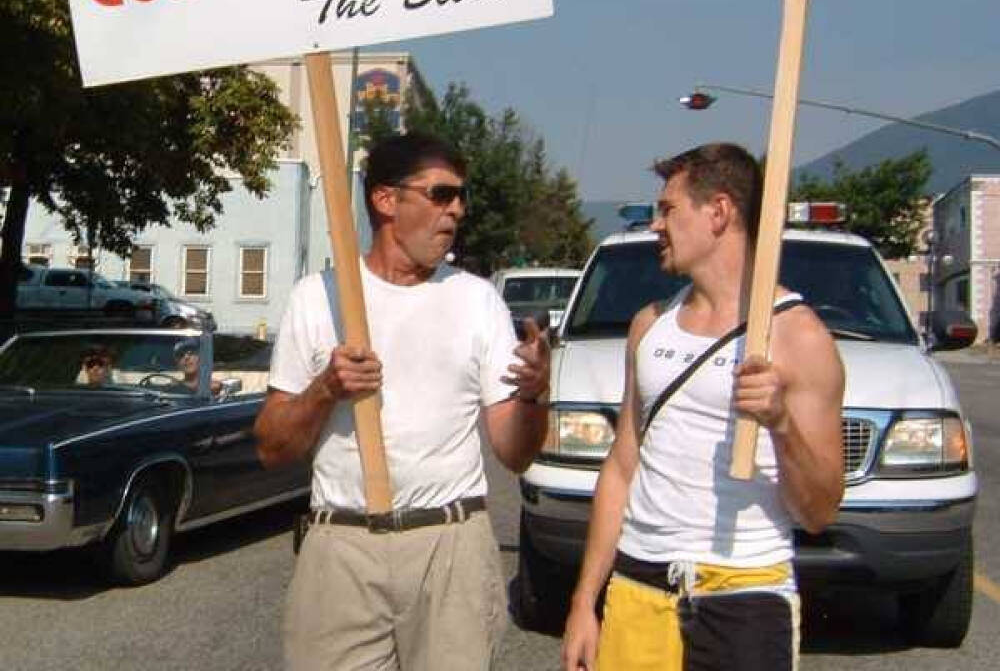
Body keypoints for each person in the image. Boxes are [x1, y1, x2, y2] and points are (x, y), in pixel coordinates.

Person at [254, 132, 551, 671]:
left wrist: (535, 395)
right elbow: (272, 446)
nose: (456, 210)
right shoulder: (318, 298)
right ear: (386, 200)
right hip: (341, 547)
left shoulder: (476, 300)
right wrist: (327, 388)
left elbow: (516, 452)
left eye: (461, 197)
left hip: (450, 544)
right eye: (441, 194)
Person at [561, 143, 845, 671]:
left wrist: (781, 424)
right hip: (638, 585)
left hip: (745, 594)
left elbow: (820, 511)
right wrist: (584, 603)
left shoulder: (798, 336)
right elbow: (622, 466)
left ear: (718, 212)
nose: (655, 225)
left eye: (667, 209)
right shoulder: (649, 325)